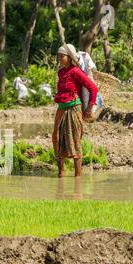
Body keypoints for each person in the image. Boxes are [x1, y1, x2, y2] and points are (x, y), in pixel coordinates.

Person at [53, 43, 98, 177]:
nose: (60, 58)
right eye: (59, 56)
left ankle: (78, 176)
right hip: (61, 107)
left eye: (63, 56)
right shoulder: (61, 72)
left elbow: (93, 88)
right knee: (57, 137)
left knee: (75, 140)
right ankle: (60, 173)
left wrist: (90, 107)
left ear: (70, 57)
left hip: (74, 107)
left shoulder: (76, 71)